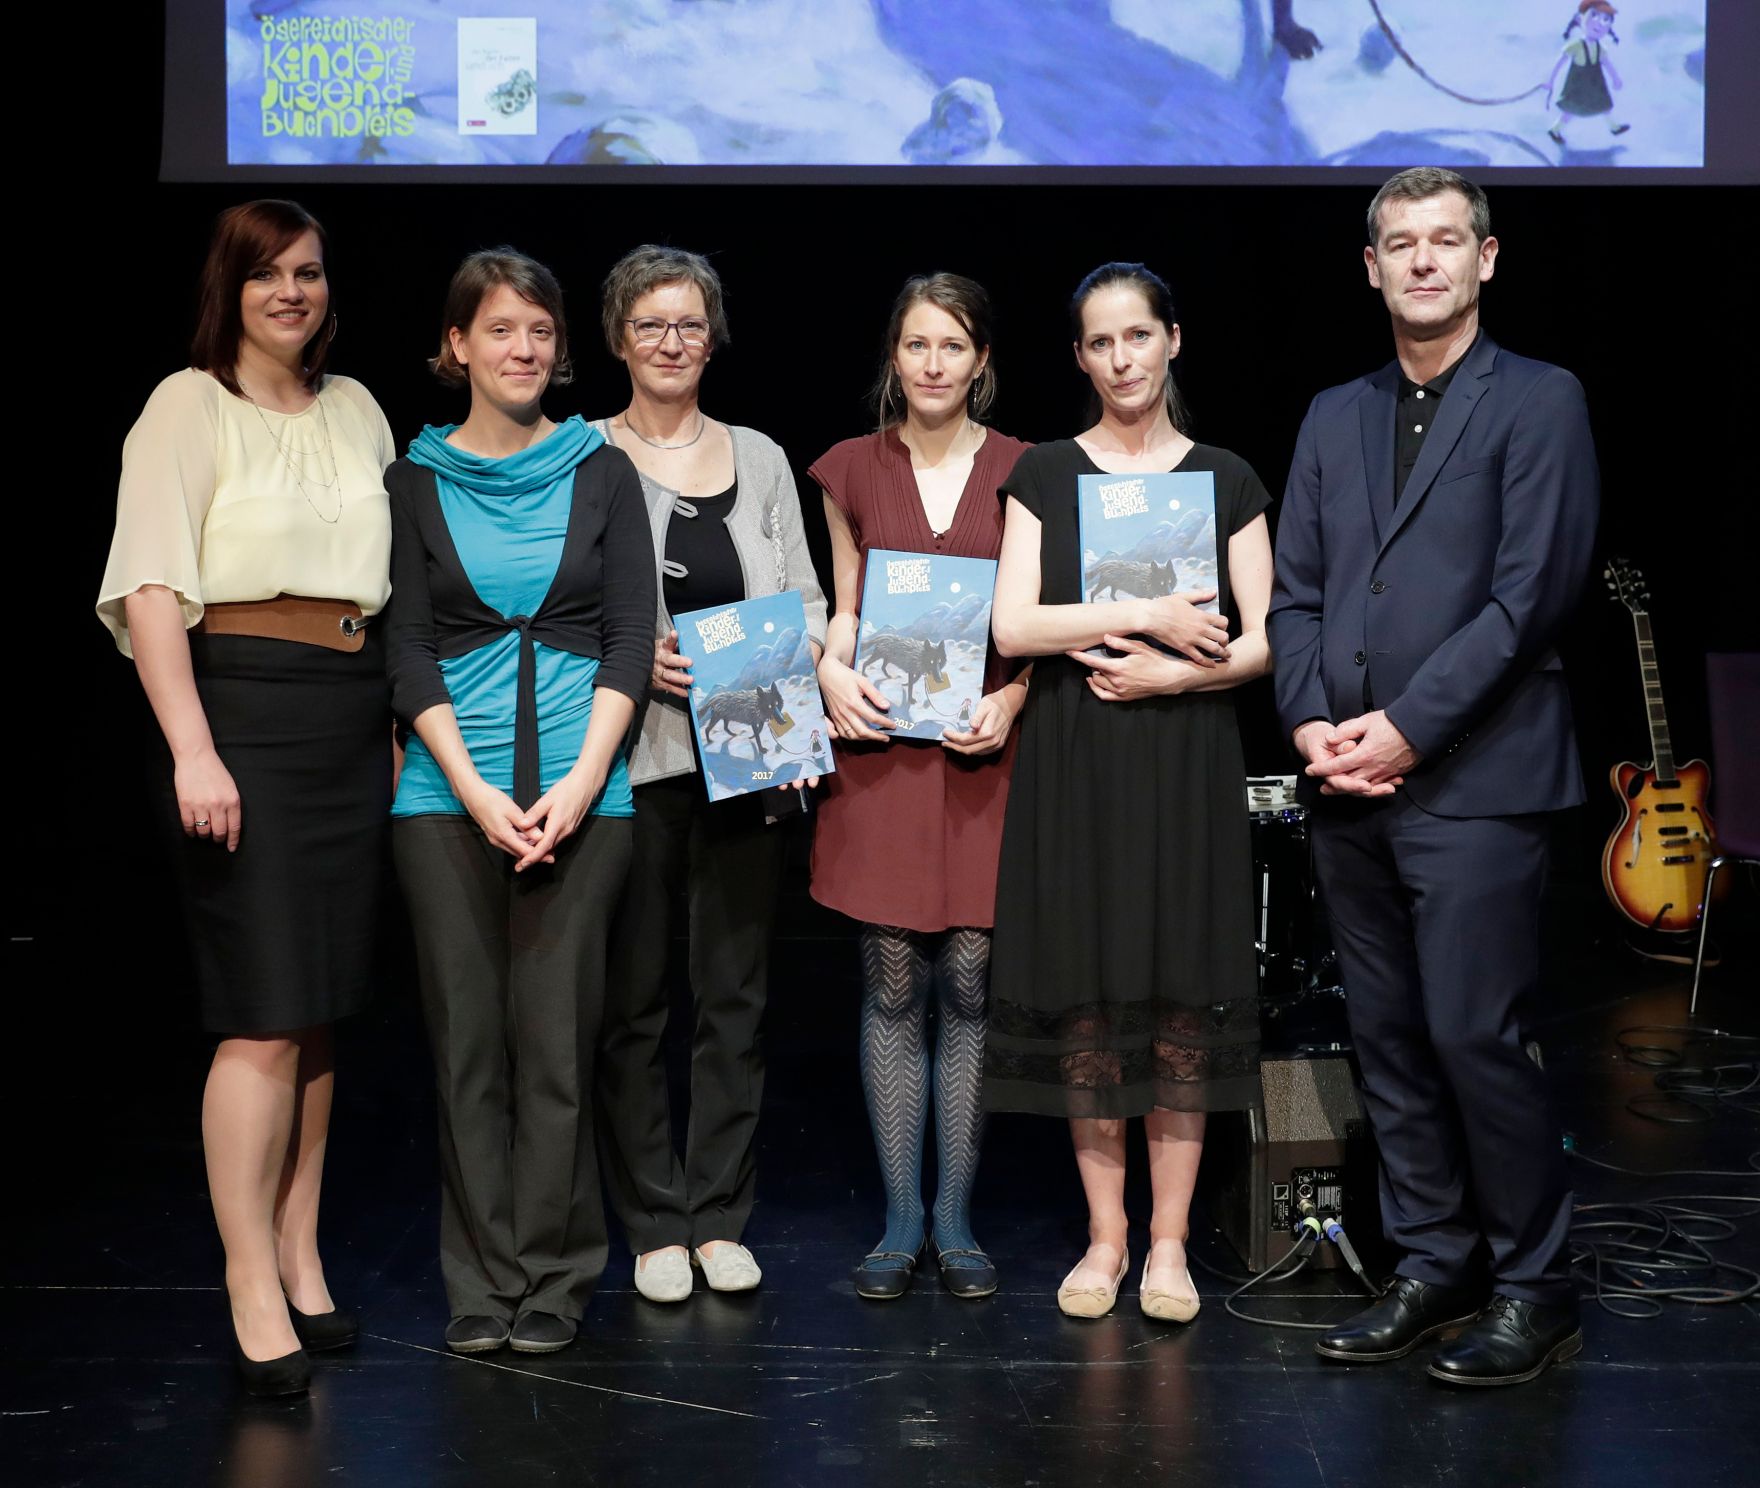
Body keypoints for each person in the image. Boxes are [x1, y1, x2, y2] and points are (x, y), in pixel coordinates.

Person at [1268, 167, 1598, 1386]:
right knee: (1389, 1043)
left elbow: (1526, 602)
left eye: (1442, 241)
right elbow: (1294, 594)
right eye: (1397, 243)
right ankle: (1430, 1265)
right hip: (1343, 783)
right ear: (1369, 266)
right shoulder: (1328, 413)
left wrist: (1403, 726)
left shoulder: (1539, 401)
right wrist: (1309, 723)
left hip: (1475, 782)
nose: (1420, 261)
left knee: (1473, 1036)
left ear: (1484, 259)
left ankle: (1532, 1286)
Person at [97, 199, 395, 1396]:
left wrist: (386, 729)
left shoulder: (360, 406)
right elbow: (155, 588)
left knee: (320, 1010)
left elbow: (392, 586)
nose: (292, 292)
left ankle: (299, 1249)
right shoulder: (185, 404)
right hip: (243, 716)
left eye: (310, 272)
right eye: (267, 274)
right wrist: (192, 749)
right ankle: (246, 1278)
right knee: (262, 1010)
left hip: (347, 714)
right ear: (231, 285)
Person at [986, 263, 1273, 1321]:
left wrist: (1176, 670)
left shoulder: (1226, 477)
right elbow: (1012, 628)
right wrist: (1151, 612)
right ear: (1078, 357)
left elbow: (1264, 640)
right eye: (1100, 343)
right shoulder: (1045, 474)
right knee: (1090, 1004)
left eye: (1138, 336)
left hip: (1185, 753)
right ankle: (1104, 1240)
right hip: (1078, 759)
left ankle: (1167, 1246)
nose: (1121, 359)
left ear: (1171, 340)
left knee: (1178, 998)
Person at [385, 249, 656, 1357]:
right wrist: (475, 789)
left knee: (556, 1047)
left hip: (585, 799)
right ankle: (481, 1280)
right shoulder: (413, 478)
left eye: (539, 332)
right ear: (455, 347)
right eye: (499, 330)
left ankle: (552, 1274)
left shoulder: (599, 469)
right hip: (446, 799)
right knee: (468, 1052)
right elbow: (406, 651)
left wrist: (582, 785)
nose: (523, 350)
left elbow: (630, 638)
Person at [590, 245, 827, 1304]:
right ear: (617, 339)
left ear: (712, 336)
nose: (672, 343)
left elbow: (809, 607)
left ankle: (719, 1212)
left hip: (749, 760)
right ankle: (650, 1221)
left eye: (689, 324)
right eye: (651, 325)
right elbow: (551, 602)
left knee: (733, 996)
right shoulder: (582, 456)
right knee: (634, 1002)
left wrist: (798, 715)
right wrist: (629, 654)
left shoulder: (763, 457)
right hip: (628, 762)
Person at [809, 273, 1030, 1300]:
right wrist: (828, 668)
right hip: (885, 755)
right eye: (914, 345)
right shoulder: (850, 468)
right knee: (894, 981)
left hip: (982, 753)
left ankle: (958, 1218)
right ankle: (901, 1220)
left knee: (974, 981)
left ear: (980, 360)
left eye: (951, 345)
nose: (932, 364)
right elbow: (843, 605)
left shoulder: (1031, 471)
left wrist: (1016, 700)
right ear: (891, 358)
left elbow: (1043, 625)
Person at [1547, 2, 1627, 148]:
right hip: (1577, 87)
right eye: (1594, 16)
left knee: (1604, 106)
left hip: (1595, 86)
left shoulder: (1600, 48)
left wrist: (1616, 79)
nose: (1599, 23)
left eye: (1605, 20)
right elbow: (1559, 64)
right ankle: (1554, 130)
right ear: (1579, 19)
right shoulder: (1575, 46)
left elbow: (1607, 64)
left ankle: (1614, 128)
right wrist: (1550, 82)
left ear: (1609, 27)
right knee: (1569, 111)